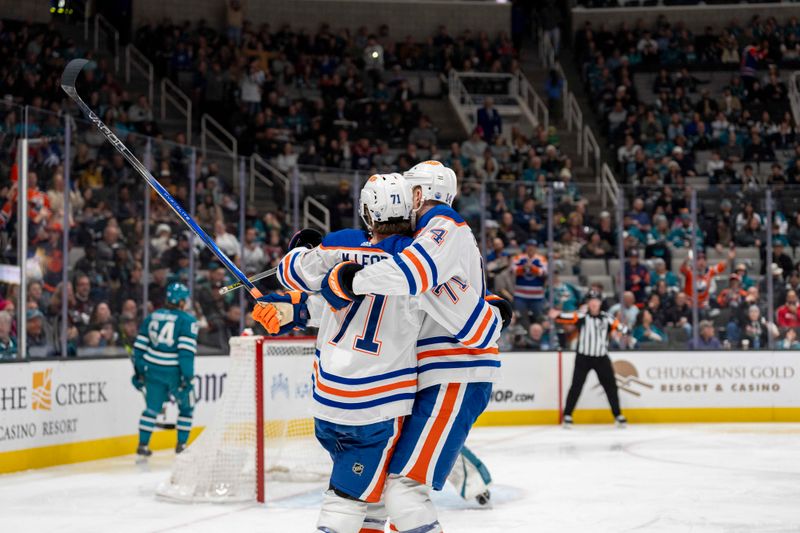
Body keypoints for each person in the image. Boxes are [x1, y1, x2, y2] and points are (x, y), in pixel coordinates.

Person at [255, 174, 505, 532]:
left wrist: (296, 284)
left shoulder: (338, 245)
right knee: (383, 498)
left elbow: (293, 273)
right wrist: (495, 310)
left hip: (328, 400)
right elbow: (475, 325)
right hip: (381, 404)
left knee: (374, 502)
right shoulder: (418, 259)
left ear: (366, 212)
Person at [131, 283, 198, 457]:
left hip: (152, 369)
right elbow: (185, 354)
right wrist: (188, 377)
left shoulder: (152, 316)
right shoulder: (187, 320)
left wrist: (139, 372)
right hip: (174, 373)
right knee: (187, 407)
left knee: (151, 409)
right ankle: (181, 444)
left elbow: (138, 349)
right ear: (182, 301)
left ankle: (142, 445)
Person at [550, 290, 628, 428]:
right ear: (588, 303)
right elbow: (565, 317)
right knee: (576, 386)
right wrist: (556, 315)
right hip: (583, 358)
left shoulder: (607, 318)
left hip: (601, 357)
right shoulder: (581, 316)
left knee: (611, 387)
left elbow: (622, 328)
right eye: (591, 300)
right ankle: (567, 415)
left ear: (600, 302)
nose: (593, 303)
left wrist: (624, 330)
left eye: (596, 300)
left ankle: (618, 415)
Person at [512, 239, 548, 326]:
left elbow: (543, 272)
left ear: (536, 248)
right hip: (520, 296)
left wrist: (532, 268)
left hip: (537, 296)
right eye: (529, 246)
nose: (531, 248)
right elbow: (514, 270)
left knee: (539, 318)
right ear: (526, 247)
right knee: (521, 319)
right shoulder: (518, 258)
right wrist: (524, 268)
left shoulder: (541, 259)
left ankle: (540, 336)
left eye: (533, 246)